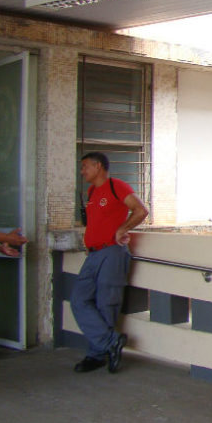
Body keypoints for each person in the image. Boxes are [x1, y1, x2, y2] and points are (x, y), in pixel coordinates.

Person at [71, 152, 148, 373]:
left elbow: (141, 210)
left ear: (98, 166)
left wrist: (123, 229)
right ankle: (110, 342)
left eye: (85, 166)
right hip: (93, 254)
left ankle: (97, 354)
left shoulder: (118, 186)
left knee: (107, 303)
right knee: (79, 299)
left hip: (112, 252)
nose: (82, 171)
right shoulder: (92, 191)